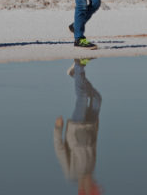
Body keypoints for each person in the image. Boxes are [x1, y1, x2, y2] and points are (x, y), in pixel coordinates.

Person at [54, 59, 102, 195]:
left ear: (83, 189)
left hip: (77, 127)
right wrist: (96, 124)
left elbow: (60, 150)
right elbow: (93, 146)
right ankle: (76, 74)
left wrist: (58, 129)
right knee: (97, 99)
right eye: (94, 184)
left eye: (92, 186)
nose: (93, 181)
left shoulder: (72, 173)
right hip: (91, 126)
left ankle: (79, 66)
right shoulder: (91, 169)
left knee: (83, 96)